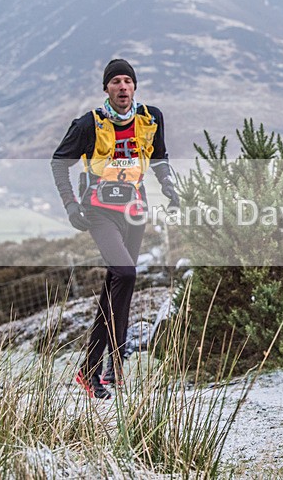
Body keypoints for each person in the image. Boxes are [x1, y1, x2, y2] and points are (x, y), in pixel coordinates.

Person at [51, 59, 180, 399]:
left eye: (127, 80)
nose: (122, 86)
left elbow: (160, 157)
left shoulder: (151, 118)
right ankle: (102, 367)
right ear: (106, 88)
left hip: (134, 211)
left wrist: (169, 187)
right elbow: (59, 162)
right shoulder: (88, 124)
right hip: (99, 210)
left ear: (134, 86)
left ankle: (101, 370)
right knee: (125, 273)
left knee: (118, 286)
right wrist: (70, 205)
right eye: (116, 81)